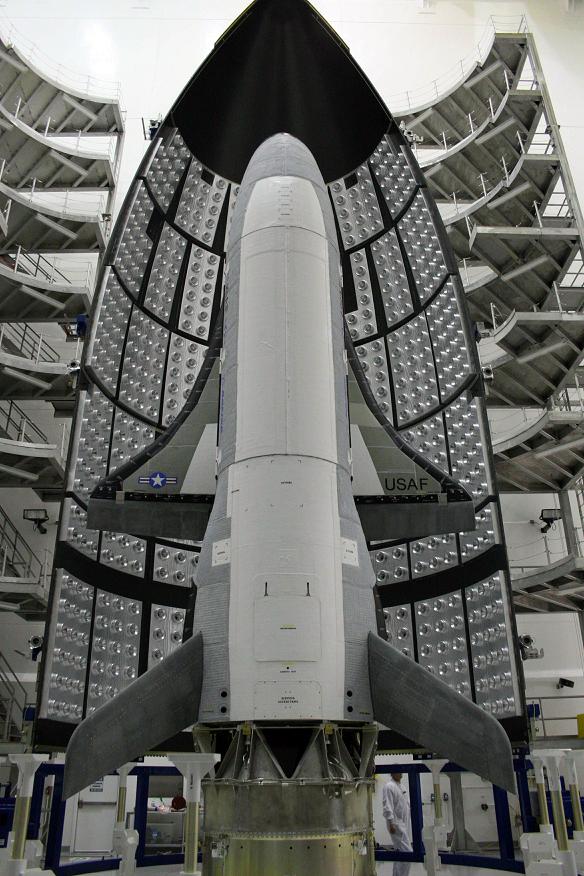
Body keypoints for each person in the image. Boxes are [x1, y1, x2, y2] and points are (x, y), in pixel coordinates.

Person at [382, 772, 412, 876]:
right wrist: (391, 823)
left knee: (400, 852)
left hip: (404, 822)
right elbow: (387, 805)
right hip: (396, 824)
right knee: (407, 852)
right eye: (397, 772)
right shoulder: (389, 786)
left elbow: (406, 804)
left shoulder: (401, 786)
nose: (400, 774)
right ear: (392, 773)